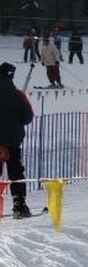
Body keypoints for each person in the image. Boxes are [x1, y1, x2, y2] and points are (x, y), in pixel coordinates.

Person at [0, 62, 34, 218]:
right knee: (15, 172)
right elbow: (28, 117)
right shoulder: (17, 95)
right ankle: (19, 205)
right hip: (12, 141)